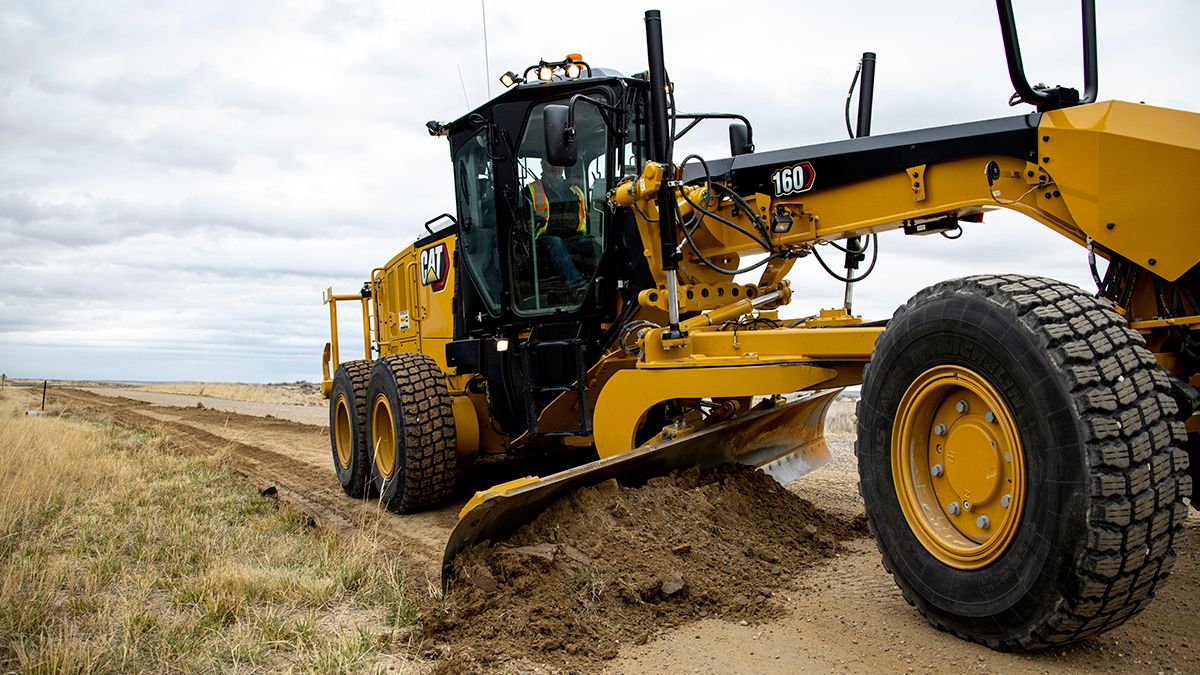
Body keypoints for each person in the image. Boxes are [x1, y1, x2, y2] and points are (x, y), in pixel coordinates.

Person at [526, 158, 601, 294]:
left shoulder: (575, 191)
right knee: (556, 242)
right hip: (543, 240)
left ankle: (604, 279)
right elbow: (521, 219)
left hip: (572, 239)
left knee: (595, 242)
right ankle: (578, 286)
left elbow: (583, 218)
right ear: (542, 164)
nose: (555, 166)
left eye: (558, 162)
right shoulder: (531, 190)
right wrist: (528, 223)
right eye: (550, 162)